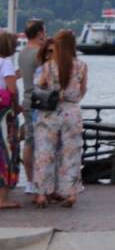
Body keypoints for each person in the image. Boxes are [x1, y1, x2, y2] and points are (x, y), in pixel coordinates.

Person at [33, 29, 87, 208]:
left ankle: (42, 194)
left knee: (44, 152)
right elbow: (82, 91)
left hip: (50, 112)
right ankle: (70, 194)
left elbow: (41, 85)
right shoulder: (81, 65)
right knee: (71, 153)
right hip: (71, 111)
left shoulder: (49, 65)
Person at [18, 18, 45, 196]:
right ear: (39, 33)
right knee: (43, 143)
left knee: (28, 141)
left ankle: (29, 181)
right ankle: (41, 182)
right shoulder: (39, 54)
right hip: (40, 101)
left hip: (26, 99)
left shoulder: (22, 53)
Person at [0, 30, 22, 209]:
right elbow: (11, 89)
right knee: (7, 151)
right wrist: (17, 106)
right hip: (4, 114)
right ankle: (2, 198)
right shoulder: (5, 63)